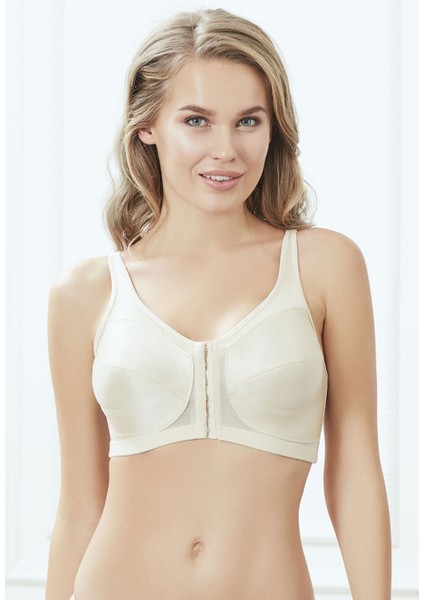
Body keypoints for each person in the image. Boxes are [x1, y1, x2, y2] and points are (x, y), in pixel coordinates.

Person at [45, 8, 391, 600]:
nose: (226, 150)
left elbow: (356, 470)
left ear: (273, 129)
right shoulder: (84, 294)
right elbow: (79, 505)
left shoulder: (324, 266)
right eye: (197, 121)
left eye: (248, 121)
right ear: (147, 126)